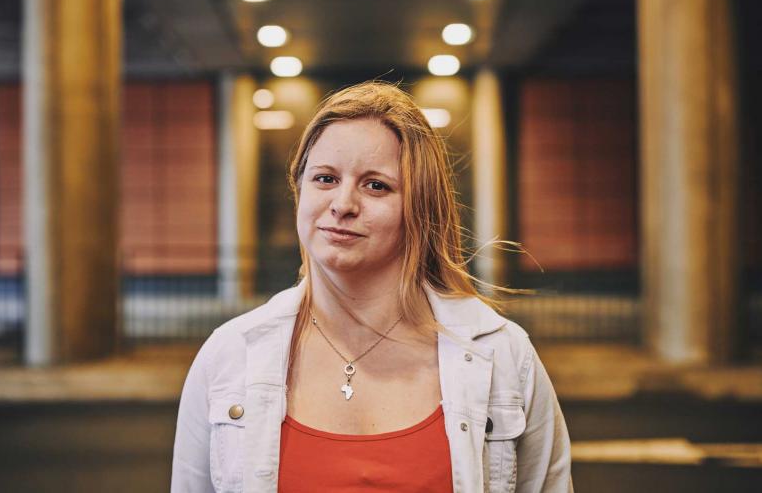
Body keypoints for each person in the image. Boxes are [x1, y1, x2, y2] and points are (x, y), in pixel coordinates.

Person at [171, 81, 573, 492]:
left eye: (375, 185)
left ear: (419, 205)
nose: (343, 204)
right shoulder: (229, 356)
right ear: (299, 191)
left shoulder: (503, 357)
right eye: (325, 178)